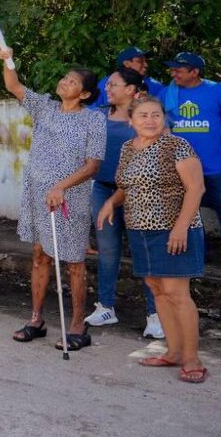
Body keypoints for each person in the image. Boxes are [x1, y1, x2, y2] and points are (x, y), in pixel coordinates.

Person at [0, 45, 105, 350]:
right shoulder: (44, 106)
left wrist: (62, 187)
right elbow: (13, 85)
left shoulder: (93, 120)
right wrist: (8, 60)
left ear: (84, 94)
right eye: (65, 78)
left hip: (71, 198)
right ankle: (36, 319)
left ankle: (77, 325)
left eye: (72, 82)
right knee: (39, 255)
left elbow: (93, 164)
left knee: (74, 262)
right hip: (37, 194)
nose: (64, 82)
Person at [99, 95, 208, 383]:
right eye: (144, 115)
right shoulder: (128, 148)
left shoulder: (177, 146)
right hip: (139, 229)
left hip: (174, 230)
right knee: (157, 289)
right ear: (132, 121)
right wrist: (112, 201)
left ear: (164, 118)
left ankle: (192, 357)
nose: (150, 120)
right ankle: (172, 352)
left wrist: (180, 228)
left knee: (177, 293)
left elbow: (196, 188)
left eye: (156, 115)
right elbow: (126, 186)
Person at [84, 68, 163, 338]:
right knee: (107, 252)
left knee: (144, 253)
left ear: (131, 89)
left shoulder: (146, 118)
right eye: (108, 85)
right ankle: (106, 306)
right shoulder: (98, 114)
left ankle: (155, 314)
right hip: (103, 189)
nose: (108, 88)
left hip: (139, 192)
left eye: (114, 85)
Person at [162, 52, 221, 262]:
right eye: (172, 69)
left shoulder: (218, 91)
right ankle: (194, 257)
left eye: (179, 70)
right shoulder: (168, 93)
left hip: (213, 167)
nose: (174, 73)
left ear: (195, 72)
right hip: (178, 167)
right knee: (184, 212)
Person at [94, 46, 165, 106]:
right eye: (140, 61)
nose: (146, 65)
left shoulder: (156, 85)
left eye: (146, 61)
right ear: (127, 63)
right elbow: (95, 109)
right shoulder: (105, 82)